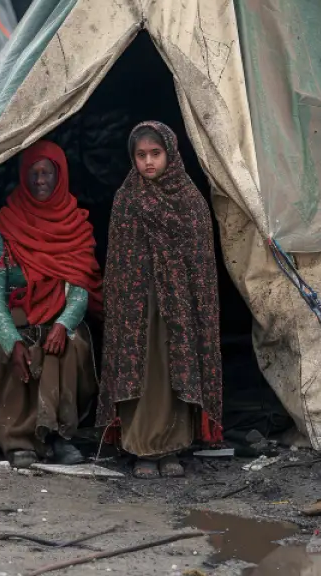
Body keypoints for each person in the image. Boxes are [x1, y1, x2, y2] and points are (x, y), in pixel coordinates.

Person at [96, 121, 223, 479]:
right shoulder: (127, 200)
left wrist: (184, 296)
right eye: (141, 155)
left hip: (177, 306)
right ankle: (141, 448)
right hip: (138, 306)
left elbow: (200, 265)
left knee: (172, 369)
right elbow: (118, 263)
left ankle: (172, 448)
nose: (149, 162)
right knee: (142, 370)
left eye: (156, 153)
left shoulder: (190, 202)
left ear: (170, 154)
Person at [0, 140, 103, 468]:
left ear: (59, 176)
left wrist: (63, 325)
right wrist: (11, 340)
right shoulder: (4, 230)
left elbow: (79, 287)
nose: (39, 180)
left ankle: (60, 437)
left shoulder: (75, 227)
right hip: (18, 319)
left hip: (59, 317)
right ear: (23, 176)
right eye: (33, 173)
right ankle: (17, 440)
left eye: (46, 172)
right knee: (15, 351)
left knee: (70, 348)